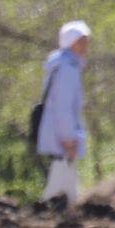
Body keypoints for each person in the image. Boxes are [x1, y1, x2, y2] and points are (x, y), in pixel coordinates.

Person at [37, 20, 91, 206]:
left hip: (58, 129)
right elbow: (63, 106)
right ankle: (50, 207)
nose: (85, 47)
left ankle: (69, 206)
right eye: (81, 42)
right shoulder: (67, 68)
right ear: (71, 43)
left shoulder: (62, 65)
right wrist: (68, 137)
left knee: (65, 172)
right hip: (62, 132)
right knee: (62, 168)